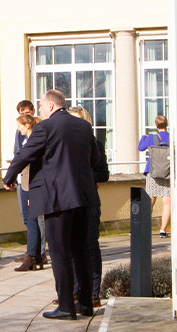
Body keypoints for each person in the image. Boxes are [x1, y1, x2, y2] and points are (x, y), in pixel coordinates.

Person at [2, 90, 106, 320]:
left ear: (50, 106)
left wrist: (9, 177)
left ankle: (67, 306)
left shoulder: (45, 127)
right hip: (82, 197)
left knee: (59, 253)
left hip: (57, 199)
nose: (39, 111)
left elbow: (24, 155)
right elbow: (95, 160)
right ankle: (87, 304)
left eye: (40, 107)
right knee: (80, 251)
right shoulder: (83, 127)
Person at [66, 106, 106, 308]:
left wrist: (87, 177)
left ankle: (93, 293)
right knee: (71, 248)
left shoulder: (95, 144)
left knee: (90, 246)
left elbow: (103, 173)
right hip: (69, 201)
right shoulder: (64, 145)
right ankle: (74, 291)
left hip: (89, 201)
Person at [8, 99, 44, 270]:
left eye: (20, 124)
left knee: (33, 220)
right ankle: (33, 255)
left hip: (31, 182)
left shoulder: (35, 138)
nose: (18, 129)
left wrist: (8, 177)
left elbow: (23, 158)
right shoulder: (25, 137)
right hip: (24, 181)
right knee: (29, 219)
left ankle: (34, 256)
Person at [138, 115, 172, 237]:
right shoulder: (172, 137)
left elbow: (140, 147)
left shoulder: (152, 138)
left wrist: (143, 137)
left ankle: (142, 226)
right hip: (168, 172)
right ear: (166, 124)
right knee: (167, 201)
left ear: (156, 125)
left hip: (153, 172)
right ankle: (163, 230)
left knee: (150, 199)